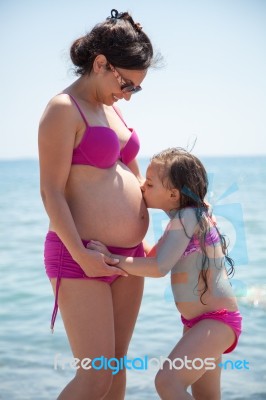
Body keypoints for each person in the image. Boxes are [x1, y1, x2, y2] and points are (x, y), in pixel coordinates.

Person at [38, 9, 158, 400]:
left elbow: (141, 184)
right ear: (100, 63)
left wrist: (187, 209)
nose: (128, 95)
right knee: (94, 378)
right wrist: (82, 255)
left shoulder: (112, 109)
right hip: (81, 256)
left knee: (116, 367)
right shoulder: (62, 109)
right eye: (126, 84)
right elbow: (51, 192)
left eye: (136, 89)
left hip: (129, 258)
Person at [88, 148, 242, 400]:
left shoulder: (187, 216)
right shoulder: (186, 218)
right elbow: (153, 258)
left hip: (216, 321)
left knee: (167, 382)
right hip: (200, 324)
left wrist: (111, 259)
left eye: (149, 184)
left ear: (173, 194)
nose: (141, 188)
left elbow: (159, 267)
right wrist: (125, 245)